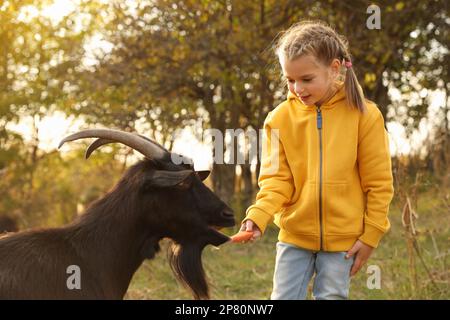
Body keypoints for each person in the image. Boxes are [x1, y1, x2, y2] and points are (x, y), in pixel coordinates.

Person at [241, 20, 394, 300]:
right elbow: (276, 181)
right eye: (290, 80)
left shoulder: (366, 116)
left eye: (306, 79)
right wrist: (259, 215)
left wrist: (371, 235)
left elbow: (379, 183)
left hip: (343, 241)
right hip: (294, 237)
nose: (297, 88)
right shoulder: (278, 120)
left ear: (334, 68)